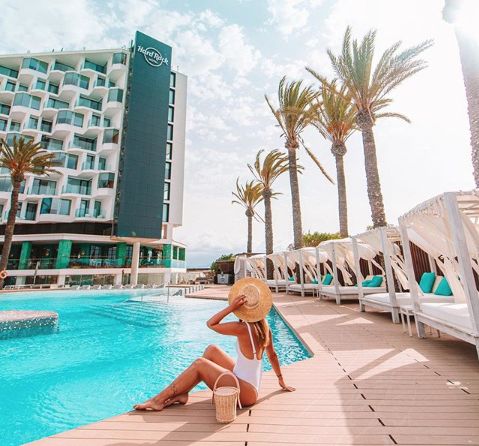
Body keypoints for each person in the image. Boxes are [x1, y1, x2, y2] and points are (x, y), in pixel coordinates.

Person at [134, 278, 295, 411]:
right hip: (250, 386)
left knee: (200, 364)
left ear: (242, 307)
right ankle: (183, 393)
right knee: (212, 350)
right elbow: (273, 356)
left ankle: (158, 400)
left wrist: (231, 308)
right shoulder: (264, 328)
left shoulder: (243, 328)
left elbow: (211, 324)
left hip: (245, 394)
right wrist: (281, 380)